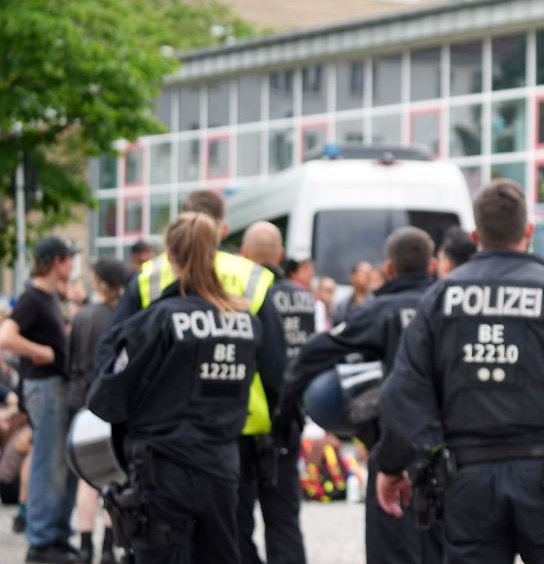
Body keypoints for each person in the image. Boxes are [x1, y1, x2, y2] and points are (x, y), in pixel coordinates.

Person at [373, 180, 544, 563]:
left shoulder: (441, 297)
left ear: (475, 235)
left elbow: (407, 391)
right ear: (529, 231)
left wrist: (391, 465)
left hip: (467, 481)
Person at [88, 213, 271, 563]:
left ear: (170, 257)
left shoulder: (155, 320)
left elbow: (107, 398)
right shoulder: (247, 323)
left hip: (163, 472)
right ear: (214, 251)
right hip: (221, 468)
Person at [280, 227, 440, 564]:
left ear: (390, 269)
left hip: (391, 448)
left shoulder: (377, 311)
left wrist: (287, 410)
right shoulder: (449, 306)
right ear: (433, 265)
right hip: (450, 453)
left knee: (391, 547)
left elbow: (314, 353)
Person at [0, 235, 83, 563]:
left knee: (57, 464)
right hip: (45, 389)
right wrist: (42, 352)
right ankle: (42, 540)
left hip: (52, 388)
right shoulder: (34, 297)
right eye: (67, 258)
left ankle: (55, 535)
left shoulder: (47, 296)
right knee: (48, 464)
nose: (71, 264)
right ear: (54, 261)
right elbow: (5, 336)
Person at [237, 222, 311, 564]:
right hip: (292, 414)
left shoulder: (249, 295)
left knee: (240, 514)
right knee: (284, 515)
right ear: (281, 255)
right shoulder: (303, 295)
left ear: (245, 255)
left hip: (255, 414)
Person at [66, 258, 130, 564]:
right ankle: (107, 548)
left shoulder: (83, 315)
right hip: (115, 402)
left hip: (83, 401)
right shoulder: (126, 315)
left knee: (87, 477)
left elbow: (71, 360)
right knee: (114, 475)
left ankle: (83, 546)